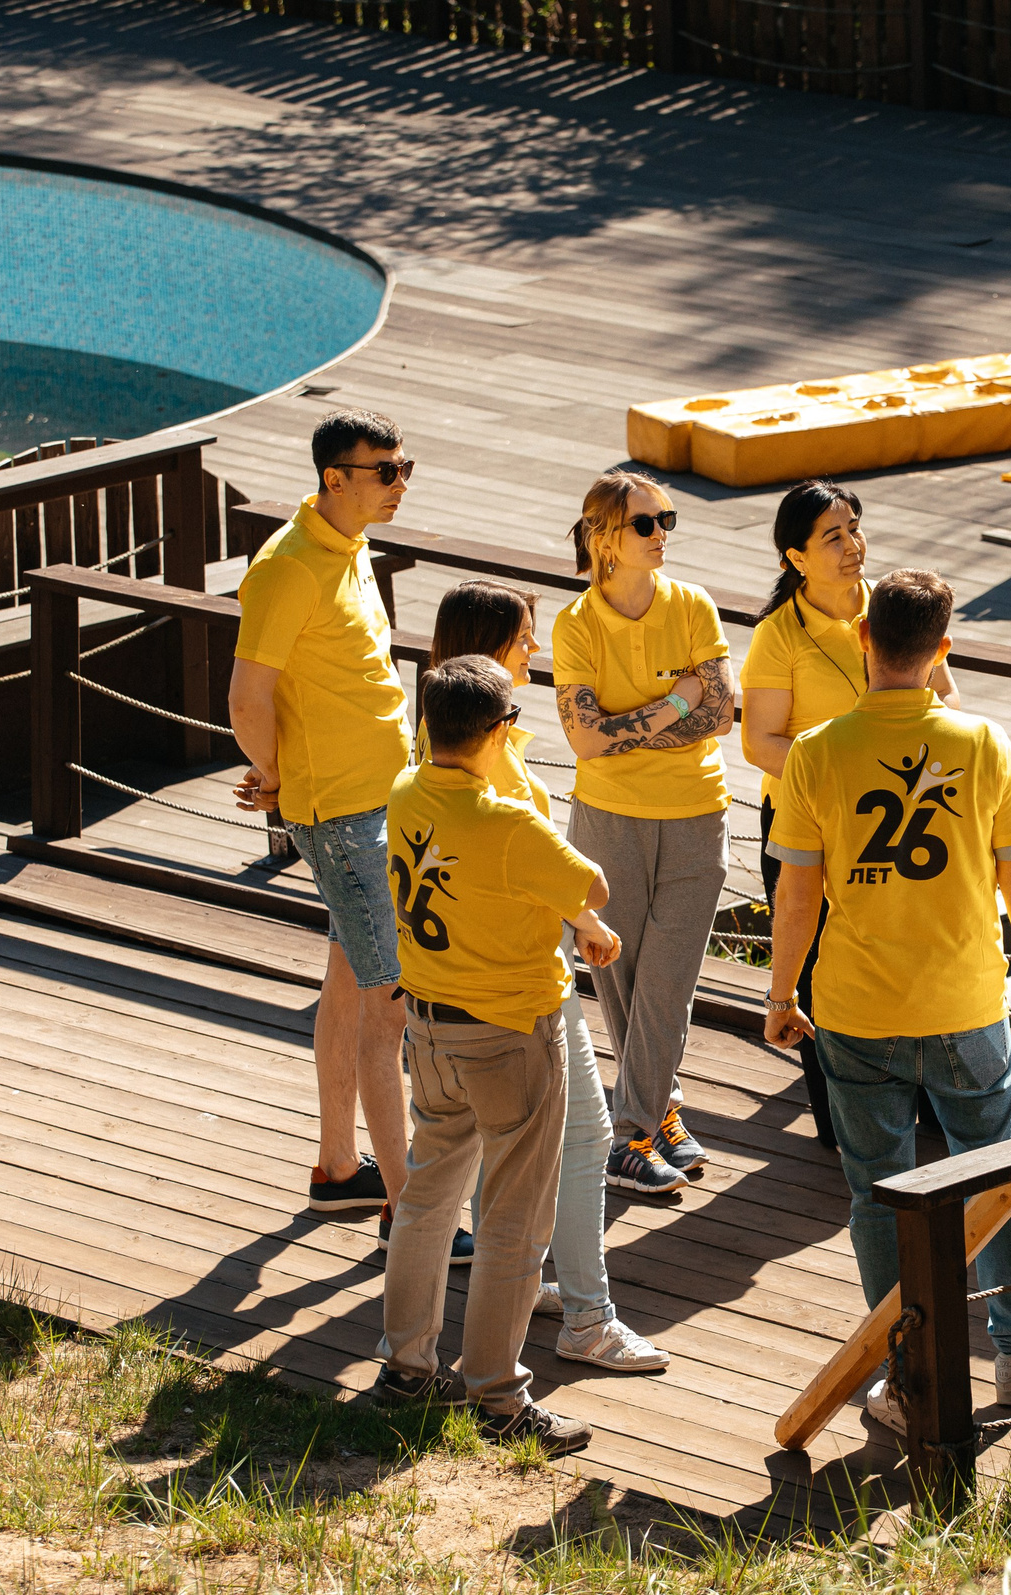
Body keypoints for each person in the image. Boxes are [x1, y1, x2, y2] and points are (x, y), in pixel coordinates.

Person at [761, 568, 1011, 1434]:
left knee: (877, 1193)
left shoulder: (817, 751)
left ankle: (909, 1376)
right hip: (964, 999)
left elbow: (798, 895)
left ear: (862, 638)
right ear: (944, 650)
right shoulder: (981, 742)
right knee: (999, 1173)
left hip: (857, 1008)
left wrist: (782, 990)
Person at [425, 581, 671, 1373]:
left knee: (490, 1159)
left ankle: (521, 1291)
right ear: (494, 648)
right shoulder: (492, 765)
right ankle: (588, 1319)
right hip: (519, 987)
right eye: (526, 638)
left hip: (462, 987)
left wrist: (583, 926)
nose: (538, 650)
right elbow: (542, 866)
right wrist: (589, 910)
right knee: (586, 1137)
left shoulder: (442, 747)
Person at [373, 654, 616, 1452]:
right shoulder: (508, 822)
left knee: (430, 1198)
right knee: (514, 1219)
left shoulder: (408, 793)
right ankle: (498, 1397)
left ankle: (405, 1368)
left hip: (432, 1030)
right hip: (510, 1034)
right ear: (503, 730)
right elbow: (593, 885)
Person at [232, 407, 447, 1255]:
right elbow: (247, 699)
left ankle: (337, 1168)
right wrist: (282, 779)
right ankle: (407, 1205)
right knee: (391, 1004)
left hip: (376, 803)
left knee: (350, 985)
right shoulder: (287, 570)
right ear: (336, 478)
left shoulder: (347, 550)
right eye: (386, 470)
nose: (401, 483)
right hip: (346, 816)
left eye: (405, 466)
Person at [739, 481, 959, 1152]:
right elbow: (759, 742)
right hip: (810, 829)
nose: (852, 545)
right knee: (817, 977)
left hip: (899, 827)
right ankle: (840, 1121)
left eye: (855, 529)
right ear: (794, 557)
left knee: (901, 963)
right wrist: (844, 774)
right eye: (832, 536)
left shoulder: (891, 608)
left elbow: (945, 696)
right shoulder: (780, 635)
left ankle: (916, 1111)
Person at [551, 472, 738, 1198]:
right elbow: (586, 742)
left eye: (668, 518)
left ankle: (625, 1135)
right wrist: (676, 698)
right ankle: (658, 1111)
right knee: (623, 978)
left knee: (667, 980)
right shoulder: (576, 624)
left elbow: (719, 715)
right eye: (645, 523)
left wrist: (635, 722)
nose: (662, 532)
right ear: (603, 536)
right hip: (608, 820)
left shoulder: (692, 604)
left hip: (698, 813)